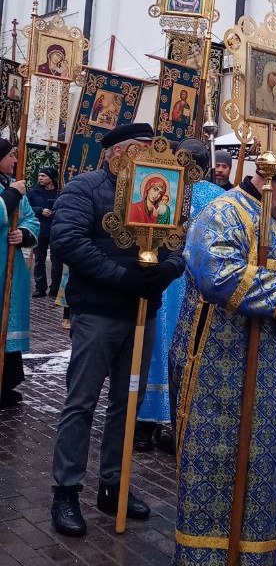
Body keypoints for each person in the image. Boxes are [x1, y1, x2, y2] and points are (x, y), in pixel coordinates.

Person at [173, 144, 276, 564]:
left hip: (275, 376)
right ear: (269, 178)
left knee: (266, 472)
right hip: (216, 367)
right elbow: (216, 276)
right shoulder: (223, 214)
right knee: (214, 469)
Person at [49, 123, 185, 537]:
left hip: (142, 314)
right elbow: (68, 241)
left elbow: (180, 243)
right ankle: (66, 489)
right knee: (82, 402)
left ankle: (114, 483)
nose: (146, 158)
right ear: (114, 153)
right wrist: (122, 277)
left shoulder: (167, 194)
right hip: (99, 313)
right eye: (138, 150)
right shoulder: (85, 190)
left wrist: (163, 273)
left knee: (128, 404)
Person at [134, 140, 222, 454]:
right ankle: (176, 424)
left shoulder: (166, 187)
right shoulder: (219, 198)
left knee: (155, 349)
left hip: (162, 279)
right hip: (195, 284)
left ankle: (144, 425)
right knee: (184, 351)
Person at [0, 139, 40, 409]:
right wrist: (12, 194)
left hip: (11, 266)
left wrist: (23, 233)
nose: (15, 161)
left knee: (8, 324)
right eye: (11, 156)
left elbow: (30, 218)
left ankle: (6, 382)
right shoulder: (12, 189)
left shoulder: (12, 186)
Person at [27, 167, 62, 298]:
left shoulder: (59, 192)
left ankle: (55, 289)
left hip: (55, 230)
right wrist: (40, 210)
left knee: (56, 261)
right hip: (40, 230)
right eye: (39, 175)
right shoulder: (33, 192)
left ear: (51, 178)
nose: (40, 178)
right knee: (39, 260)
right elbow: (26, 207)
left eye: (43, 176)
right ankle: (40, 288)